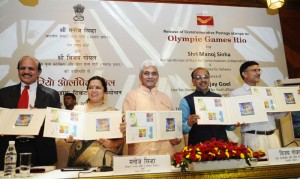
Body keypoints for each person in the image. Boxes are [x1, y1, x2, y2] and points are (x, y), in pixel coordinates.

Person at [0, 56, 60, 170]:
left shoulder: (52, 95)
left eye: (31, 69)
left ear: (39, 72)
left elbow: (56, 124)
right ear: (18, 71)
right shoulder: (2, 94)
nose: (26, 71)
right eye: (22, 68)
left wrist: (40, 116)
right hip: (9, 149)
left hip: (41, 150)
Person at [120, 60, 181, 155]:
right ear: (140, 76)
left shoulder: (165, 97)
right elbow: (127, 127)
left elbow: (173, 126)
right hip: (142, 153)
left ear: (158, 77)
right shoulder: (132, 96)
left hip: (166, 152)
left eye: (154, 74)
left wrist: (176, 137)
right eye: (146, 73)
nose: (150, 76)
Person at [230, 61, 287, 155]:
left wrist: (287, 106)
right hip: (253, 137)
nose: (258, 73)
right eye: (254, 70)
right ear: (244, 74)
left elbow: (277, 115)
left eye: (259, 70)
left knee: (277, 167)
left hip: (273, 136)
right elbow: (235, 118)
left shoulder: (266, 91)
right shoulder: (236, 94)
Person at [66, 76, 123, 167]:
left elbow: (123, 138)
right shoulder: (77, 110)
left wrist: (113, 143)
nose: (93, 90)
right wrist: (68, 137)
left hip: (104, 159)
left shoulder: (112, 112)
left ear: (104, 92)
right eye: (90, 87)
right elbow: (68, 133)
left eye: (98, 88)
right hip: (79, 160)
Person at [179, 67, 235, 146]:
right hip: (198, 148)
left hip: (221, 146)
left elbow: (228, 126)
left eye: (206, 77)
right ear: (193, 81)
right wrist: (188, 123)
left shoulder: (219, 98)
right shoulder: (186, 101)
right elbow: (181, 129)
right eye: (198, 78)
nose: (203, 80)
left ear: (209, 79)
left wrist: (234, 123)